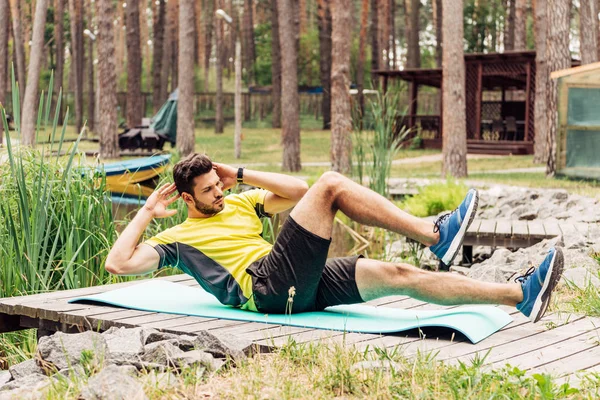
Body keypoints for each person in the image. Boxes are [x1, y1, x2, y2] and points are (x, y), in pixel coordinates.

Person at [105, 153, 564, 323]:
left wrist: (239, 173)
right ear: (186, 198)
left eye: (219, 184)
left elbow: (296, 192)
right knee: (332, 184)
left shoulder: (241, 202)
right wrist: (146, 211)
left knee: (397, 273)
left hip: (295, 284)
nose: (220, 193)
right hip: (267, 289)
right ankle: (434, 234)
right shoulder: (180, 238)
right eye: (209, 191)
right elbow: (118, 264)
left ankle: (518, 294)